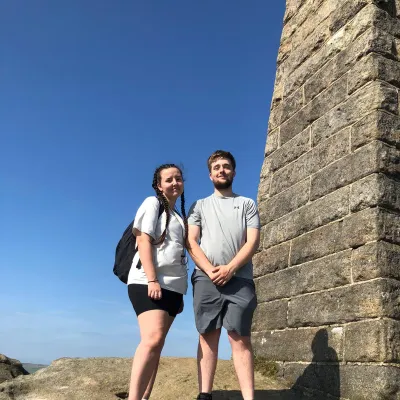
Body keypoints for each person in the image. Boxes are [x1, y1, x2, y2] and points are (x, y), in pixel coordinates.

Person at [187, 150, 260, 400]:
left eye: (226, 166)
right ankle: (204, 395)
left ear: (234, 172)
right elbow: (191, 241)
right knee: (207, 335)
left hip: (240, 279)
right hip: (205, 278)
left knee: (240, 338)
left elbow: (252, 242)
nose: (221, 170)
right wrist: (210, 270)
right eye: (216, 167)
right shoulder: (198, 205)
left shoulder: (247, 204)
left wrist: (230, 268)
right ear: (210, 175)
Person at [127, 163, 188, 400]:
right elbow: (143, 242)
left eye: (179, 179)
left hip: (174, 287)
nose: (175, 183)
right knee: (151, 340)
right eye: (169, 179)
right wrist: (153, 280)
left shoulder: (179, 217)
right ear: (158, 185)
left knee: (158, 345)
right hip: (147, 281)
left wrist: (181, 293)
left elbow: (178, 255)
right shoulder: (152, 204)